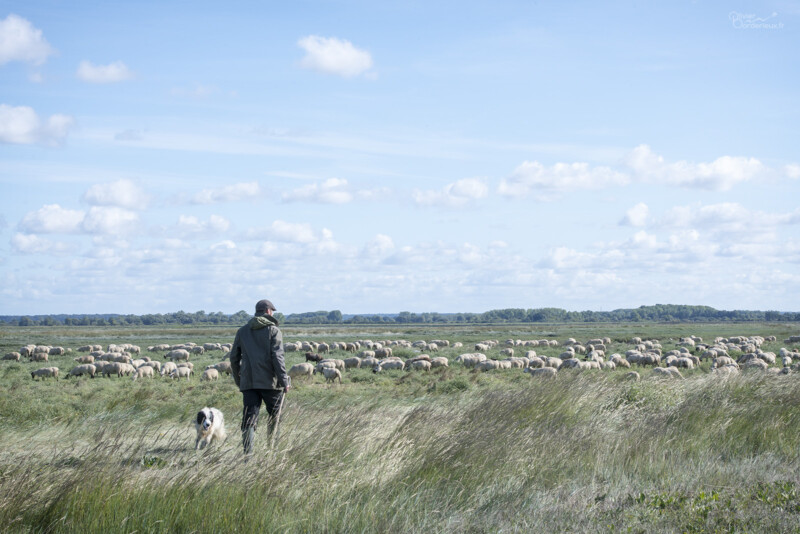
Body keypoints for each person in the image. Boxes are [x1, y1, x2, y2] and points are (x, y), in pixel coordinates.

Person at [230, 298, 291, 455]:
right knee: (275, 416)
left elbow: (233, 358)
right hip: (271, 383)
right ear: (269, 312)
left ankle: (248, 455)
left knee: (249, 418)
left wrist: (240, 380)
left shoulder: (242, 331)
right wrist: (284, 381)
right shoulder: (273, 331)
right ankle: (272, 451)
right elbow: (278, 357)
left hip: (249, 383)